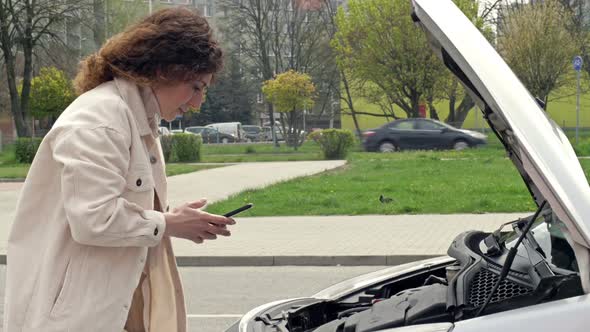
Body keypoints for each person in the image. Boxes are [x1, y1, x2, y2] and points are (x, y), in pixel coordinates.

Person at [3, 7, 231, 332]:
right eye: (195, 86)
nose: (197, 102)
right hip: (71, 318)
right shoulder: (101, 122)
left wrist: (170, 217)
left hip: (107, 308)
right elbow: (93, 220)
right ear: (164, 69)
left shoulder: (135, 119)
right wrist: (167, 223)